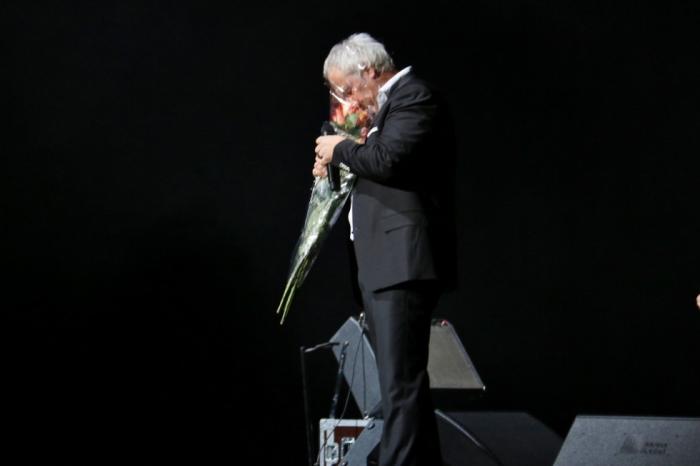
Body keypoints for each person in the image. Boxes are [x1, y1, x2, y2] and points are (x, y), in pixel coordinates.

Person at [314, 33, 456, 466]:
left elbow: (389, 159)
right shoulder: (382, 111)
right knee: (402, 384)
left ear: (370, 71)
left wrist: (342, 148)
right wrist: (334, 162)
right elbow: (372, 163)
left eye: (348, 88)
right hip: (381, 262)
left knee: (399, 385)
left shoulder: (414, 97)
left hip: (402, 261)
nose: (347, 100)